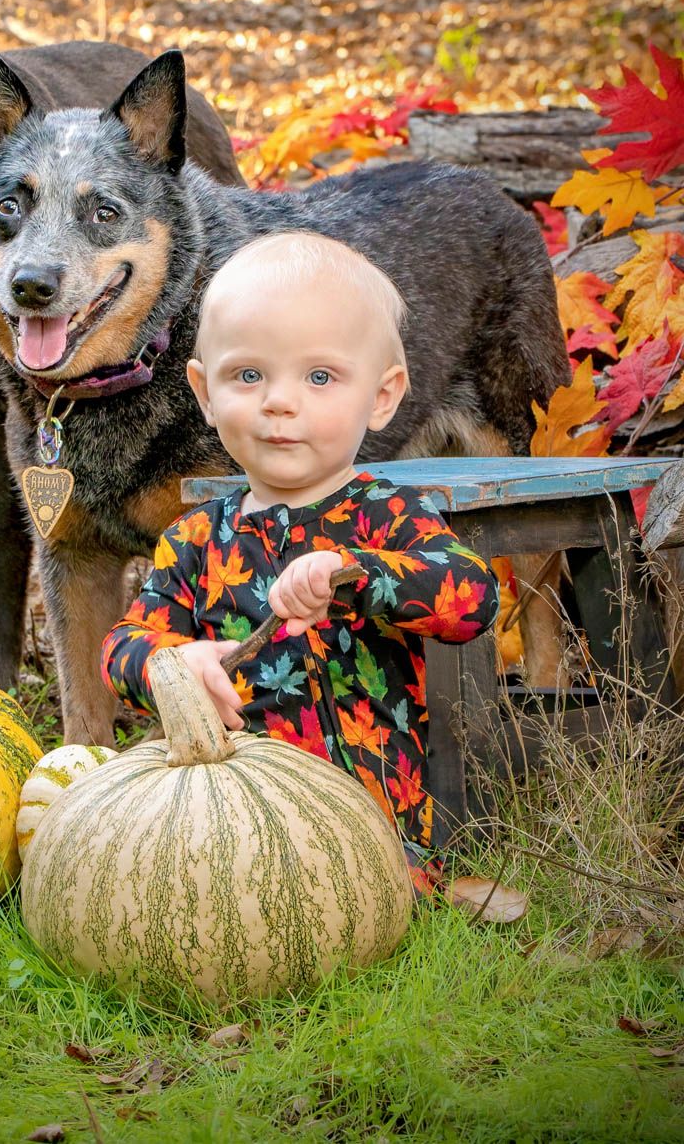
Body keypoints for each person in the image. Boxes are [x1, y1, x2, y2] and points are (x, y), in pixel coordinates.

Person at [101, 231, 500, 889]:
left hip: (373, 834)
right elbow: (122, 647)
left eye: (319, 377)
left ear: (382, 396)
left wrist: (358, 572)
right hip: (232, 828)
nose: (279, 401)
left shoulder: (386, 516)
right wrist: (169, 663)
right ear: (204, 392)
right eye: (248, 375)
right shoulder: (196, 539)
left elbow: (472, 598)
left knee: (352, 901)